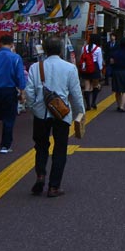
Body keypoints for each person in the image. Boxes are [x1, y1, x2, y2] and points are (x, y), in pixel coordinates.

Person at [25, 36, 85, 198]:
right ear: (60, 50)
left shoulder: (35, 67)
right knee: (60, 148)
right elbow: (76, 92)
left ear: (44, 49)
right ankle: (54, 186)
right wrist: (81, 111)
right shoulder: (69, 68)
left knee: (41, 145)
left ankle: (40, 175)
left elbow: (29, 92)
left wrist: (32, 106)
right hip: (62, 113)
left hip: (40, 113)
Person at [108, 37, 125, 112]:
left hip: (117, 72)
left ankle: (118, 105)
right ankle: (122, 106)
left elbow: (111, 62)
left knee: (117, 90)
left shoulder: (115, 53)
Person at [79, 36, 104, 110]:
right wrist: (100, 70)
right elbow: (100, 61)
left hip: (86, 67)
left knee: (87, 86)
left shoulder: (84, 48)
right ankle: (93, 102)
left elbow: (81, 57)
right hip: (95, 67)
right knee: (95, 85)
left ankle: (88, 105)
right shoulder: (98, 49)